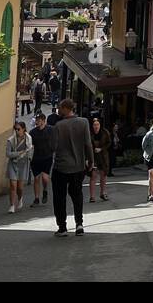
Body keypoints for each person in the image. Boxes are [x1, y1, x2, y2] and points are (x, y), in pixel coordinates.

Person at [51, 99, 95, 236]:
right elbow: (88, 144)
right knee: (77, 195)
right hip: (78, 166)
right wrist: (91, 160)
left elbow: (53, 146)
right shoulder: (84, 122)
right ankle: (79, 224)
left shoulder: (58, 126)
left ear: (65, 108)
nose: (58, 110)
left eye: (60, 107)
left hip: (61, 166)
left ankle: (62, 227)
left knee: (59, 197)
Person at [6, 121, 33, 213]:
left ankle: (20, 198)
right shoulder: (10, 140)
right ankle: (12, 205)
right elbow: (8, 154)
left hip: (23, 164)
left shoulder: (28, 139)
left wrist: (28, 157)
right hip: (13, 164)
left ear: (24, 129)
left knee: (20, 187)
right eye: (15, 129)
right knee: (13, 185)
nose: (17, 131)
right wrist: (19, 153)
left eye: (19, 129)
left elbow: (30, 151)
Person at [30, 112, 56, 205]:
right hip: (36, 158)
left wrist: (53, 150)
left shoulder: (51, 130)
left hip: (47, 157)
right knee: (36, 178)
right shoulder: (32, 132)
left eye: (39, 120)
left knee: (45, 178)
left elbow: (55, 141)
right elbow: (30, 145)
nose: (37, 122)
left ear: (44, 121)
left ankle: (45, 190)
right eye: (36, 120)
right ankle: (36, 198)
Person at [89, 116, 111, 202]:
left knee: (103, 175)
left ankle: (102, 193)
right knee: (93, 176)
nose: (96, 126)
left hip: (103, 156)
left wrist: (101, 148)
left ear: (100, 125)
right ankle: (92, 196)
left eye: (97, 124)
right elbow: (86, 144)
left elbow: (109, 143)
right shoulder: (89, 133)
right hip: (93, 157)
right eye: (94, 125)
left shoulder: (105, 132)